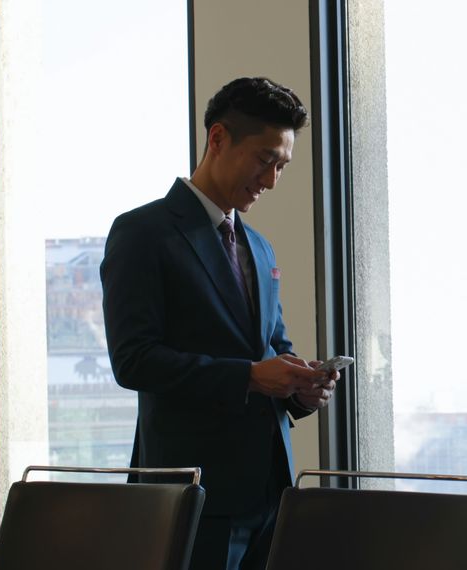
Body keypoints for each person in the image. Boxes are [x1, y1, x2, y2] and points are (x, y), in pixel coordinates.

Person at [100, 77, 337, 570]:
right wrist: (250, 376)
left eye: (282, 167)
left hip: (272, 494)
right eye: (264, 159)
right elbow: (133, 360)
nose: (271, 180)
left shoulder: (261, 248)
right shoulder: (142, 233)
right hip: (194, 496)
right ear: (218, 139)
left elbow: (273, 348)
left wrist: (301, 387)